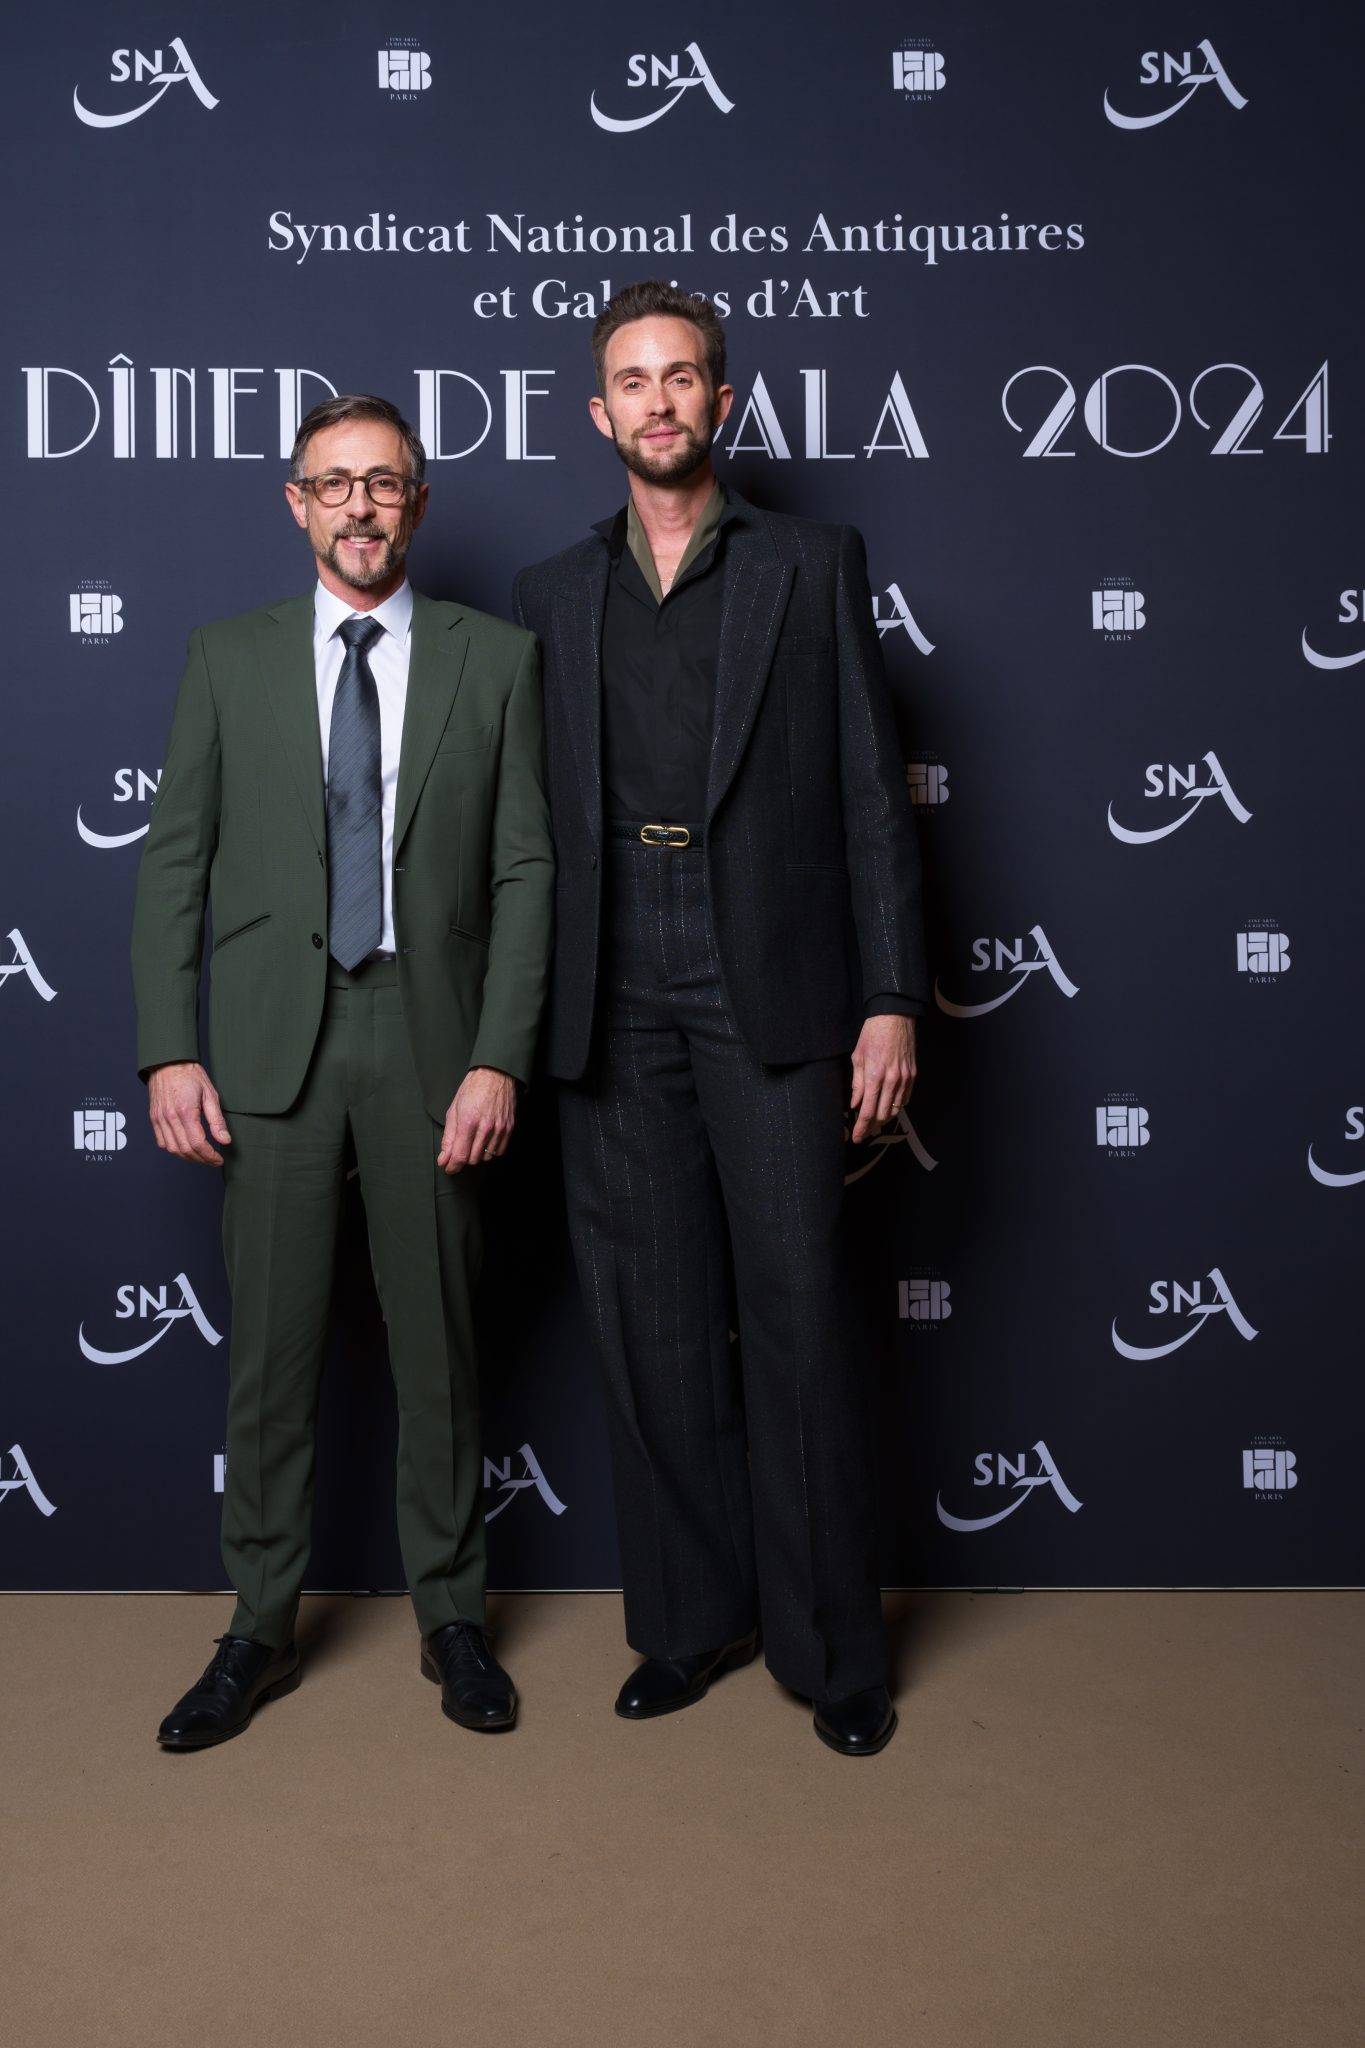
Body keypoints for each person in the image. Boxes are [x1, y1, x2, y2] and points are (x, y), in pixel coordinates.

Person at [514, 282, 927, 1756]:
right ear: (598, 413)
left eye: (681, 376)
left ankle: (831, 1651)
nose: (659, 401)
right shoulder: (552, 597)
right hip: (610, 970)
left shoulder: (810, 564)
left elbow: (874, 801)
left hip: (770, 973)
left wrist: (888, 1000)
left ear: (722, 400)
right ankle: (689, 1624)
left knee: (800, 1315)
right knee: (650, 1326)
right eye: (631, 381)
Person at [131, 394, 553, 1748]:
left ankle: (452, 1617)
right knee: (269, 1358)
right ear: (294, 501)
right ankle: (258, 1623)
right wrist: (167, 1047)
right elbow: (171, 867)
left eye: (385, 484)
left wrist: (498, 1058)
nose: (360, 506)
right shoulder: (222, 657)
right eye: (334, 484)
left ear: (416, 506)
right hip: (268, 1048)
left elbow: (527, 869)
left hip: (429, 1044)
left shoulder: (497, 659)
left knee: (439, 1353)